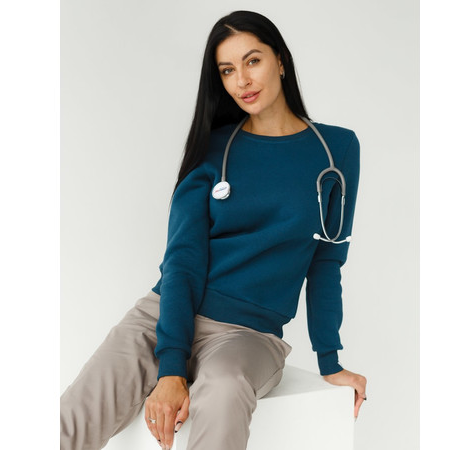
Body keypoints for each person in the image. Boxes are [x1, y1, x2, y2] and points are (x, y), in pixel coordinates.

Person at [60, 10, 367, 450]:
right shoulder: (212, 148)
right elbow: (182, 260)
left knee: (223, 390)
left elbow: (326, 260)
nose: (242, 80)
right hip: (163, 316)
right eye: (227, 70)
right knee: (70, 421)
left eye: (253, 60)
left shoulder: (337, 150)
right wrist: (171, 369)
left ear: (280, 60)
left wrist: (330, 361)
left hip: (248, 336)